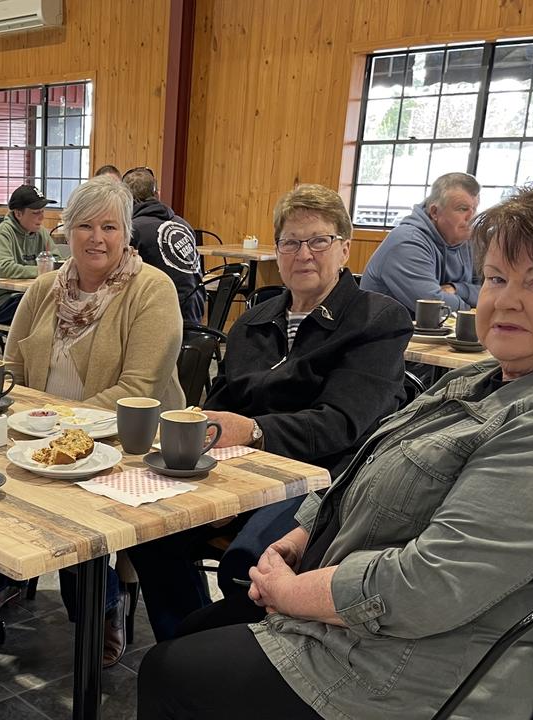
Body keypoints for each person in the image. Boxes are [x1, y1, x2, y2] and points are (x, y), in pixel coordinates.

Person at [138, 175, 533, 720]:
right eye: (497, 277)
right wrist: (302, 532)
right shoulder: (499, 377)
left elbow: (426, 586)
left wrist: (294, 593)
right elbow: (374, 459)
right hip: (365, 622)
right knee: (192, 622)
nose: (505, 300)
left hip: (396, 673)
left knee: (171, 670)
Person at [126, 184, 413, 641]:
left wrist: (255, 430)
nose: (305, 254)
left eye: (319, 240)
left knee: (250, 562)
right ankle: (187, 645)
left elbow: (343, 424)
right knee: (151, 531)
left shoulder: (375, 319)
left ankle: (245, 660)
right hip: (246, 471)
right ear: (277, 251)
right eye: (291, 242)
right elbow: (222, 403)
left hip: (325, 476)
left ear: (343, 246)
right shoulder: (254, 321)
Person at [0, 177, 185, 667]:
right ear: (66, 231)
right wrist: (5, 416)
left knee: (74, 505)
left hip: (125, 444)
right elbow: (12, 372)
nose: (97, 238)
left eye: (109, 226)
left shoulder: (152, 290)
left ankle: (105, 603)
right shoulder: (46, 288)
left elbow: (139, 390)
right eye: (85, 225)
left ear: (127, 232)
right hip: (37, 432)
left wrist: (54, 428)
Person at [361, 172, 481, 316]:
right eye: (462, 209)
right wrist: (472, 306)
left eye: (474, 208)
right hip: (386, 334)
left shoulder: (466, 240)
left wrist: (457, 289)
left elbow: (488, 290)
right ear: (435, 212)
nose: (472, 217)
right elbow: (433, 307)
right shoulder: (407, 242)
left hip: (433, 334)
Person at [121, 166, 204, 324]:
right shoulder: (184, 224)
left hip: (163, 321)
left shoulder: (132, 230)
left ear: (125, 199)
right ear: (157, 194)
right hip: (195, 317)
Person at [0, 184, 54, 325]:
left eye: (43, 211)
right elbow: (5, 268)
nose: (41, 217)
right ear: (18, 213)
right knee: (45, 312)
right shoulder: (5, 231)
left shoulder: (41, 232)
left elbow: (57, 260)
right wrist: (43, 270)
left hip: (31, 293)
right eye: (36, 213)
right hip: (3, 300)